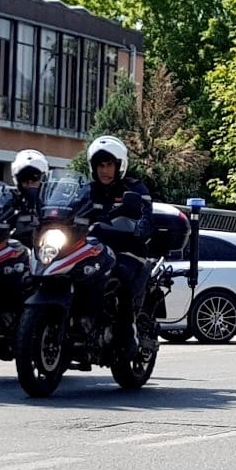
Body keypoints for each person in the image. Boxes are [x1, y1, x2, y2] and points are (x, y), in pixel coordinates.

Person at [84, 135, 154, 358]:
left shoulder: (134, 189)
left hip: (129, 250)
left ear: (119, 166)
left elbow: (146, 217)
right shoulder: (87, 191)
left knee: (121, 276)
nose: (104, 170)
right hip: (94, 249)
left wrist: (139, 224)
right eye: (100, 165)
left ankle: (128, 335)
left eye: (109, 165)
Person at [8, 148, 49, 246]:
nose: (30, 184)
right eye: (25, 180)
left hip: (47, 246)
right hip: (17, 249)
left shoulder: (52, 201)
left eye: (34, 179)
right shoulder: (11, 201)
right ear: (18, 181)